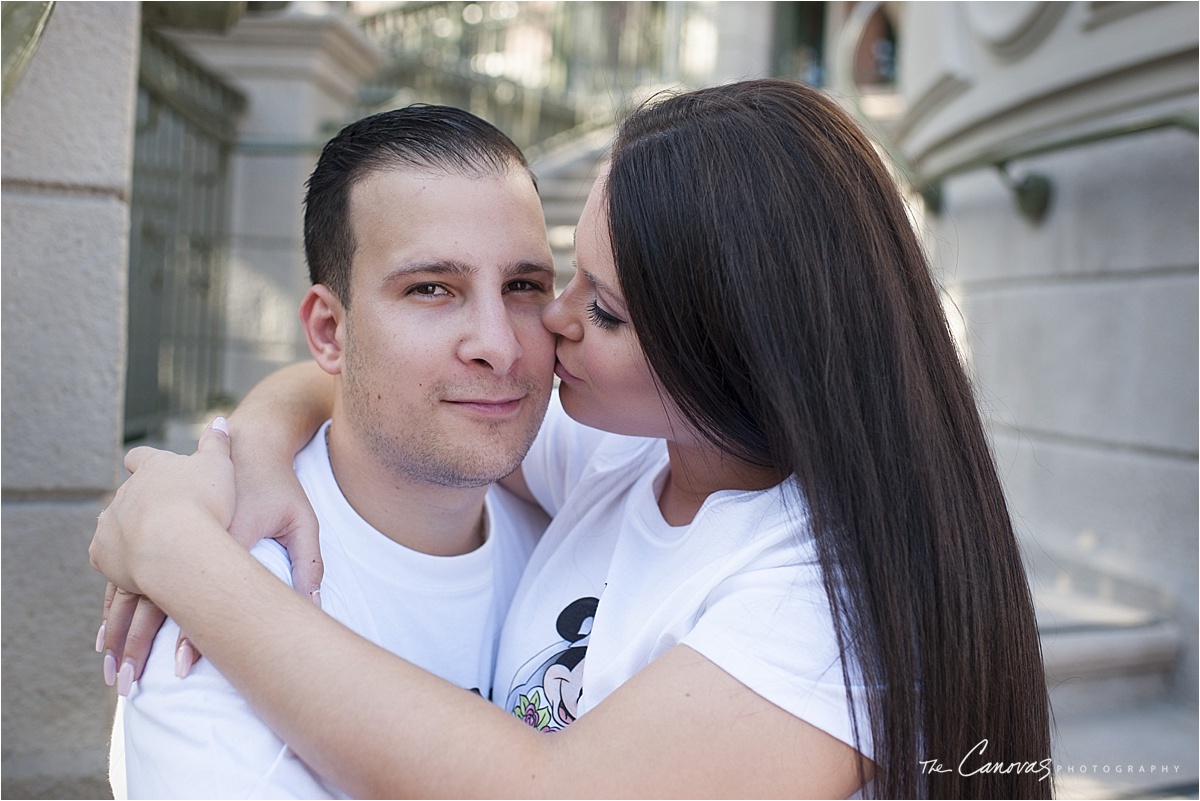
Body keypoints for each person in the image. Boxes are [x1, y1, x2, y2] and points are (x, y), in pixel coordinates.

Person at [92, 79, 1053, 798]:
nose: (535, 330)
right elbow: (378, 383)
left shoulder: (820, 596)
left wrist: (184, 558)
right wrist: (246, 446)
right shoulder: (636, 452)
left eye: (601, 308)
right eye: (564, 278)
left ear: (739, 353)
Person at [106, 104, 558, 798]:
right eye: (432, 288)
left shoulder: (575, 517)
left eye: (523, 286)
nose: (498, 344)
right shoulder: (214, 617)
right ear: (329, 329)